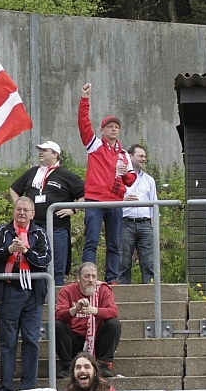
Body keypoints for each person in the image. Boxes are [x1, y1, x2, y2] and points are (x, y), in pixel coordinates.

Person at [0, 197, 52, 391]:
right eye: (18, 209)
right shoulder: (2, 231)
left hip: (33, 293)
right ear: (13, 211)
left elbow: (45, 259)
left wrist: (26, 251)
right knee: (8, 341)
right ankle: (6, 387)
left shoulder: (39, 233)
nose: (21, 212)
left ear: (33, 214)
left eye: (26, 210)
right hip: (9, 291)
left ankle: (28, 388)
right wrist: (9, 250)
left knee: (31, 340)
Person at [78, 83, 137, 283]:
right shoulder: (94, 145)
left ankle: (112, 279)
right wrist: (85, 98)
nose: (114, 129)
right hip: (94, 201)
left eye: (116, 127)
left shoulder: (124, 154)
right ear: (102, 130)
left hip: (115, 202)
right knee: (91, 241)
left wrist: (125, 174)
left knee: (114, 243)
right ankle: (88, 277)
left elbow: (131, 180)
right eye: (110, 126)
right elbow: (84, 123)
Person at [9, 141, 85, 286]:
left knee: (57, 265)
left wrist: (73, 209)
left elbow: (86, 193)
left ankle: (57, 296)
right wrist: (20, 206)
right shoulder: (33, 172)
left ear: (55, 154)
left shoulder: (66, 175)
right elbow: (14, 189)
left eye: (44, 150)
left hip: (57, 227)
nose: (40, 153)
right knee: (33, 261)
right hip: (33, 228)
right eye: (40, 150)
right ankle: (36, 293)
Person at [55, 262, 121, 379]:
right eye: (86, 276)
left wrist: (95, 311)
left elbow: (113, 311)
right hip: (75, 339)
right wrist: (74, 310)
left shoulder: (103, 290)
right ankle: (68, 366)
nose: (90, 280)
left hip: (96, 339)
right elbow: (58, 314)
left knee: (114, 323)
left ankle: (103, 365)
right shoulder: (67, 291)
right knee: (58, 325)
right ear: (78, 278)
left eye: (93, 276)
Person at [119, 144, 157, 284]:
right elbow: (110, 199)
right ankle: (123, 291)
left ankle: (150, 290)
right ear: (130, 157)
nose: (143, 159)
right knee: (123, 261)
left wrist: (153, 227)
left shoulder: (149, 180)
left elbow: (154, 205)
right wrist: (123, 201)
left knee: (149, 262)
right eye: (140, 156)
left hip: (145, 224)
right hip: (125, 223)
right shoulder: (119, 178)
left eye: (145, 157)